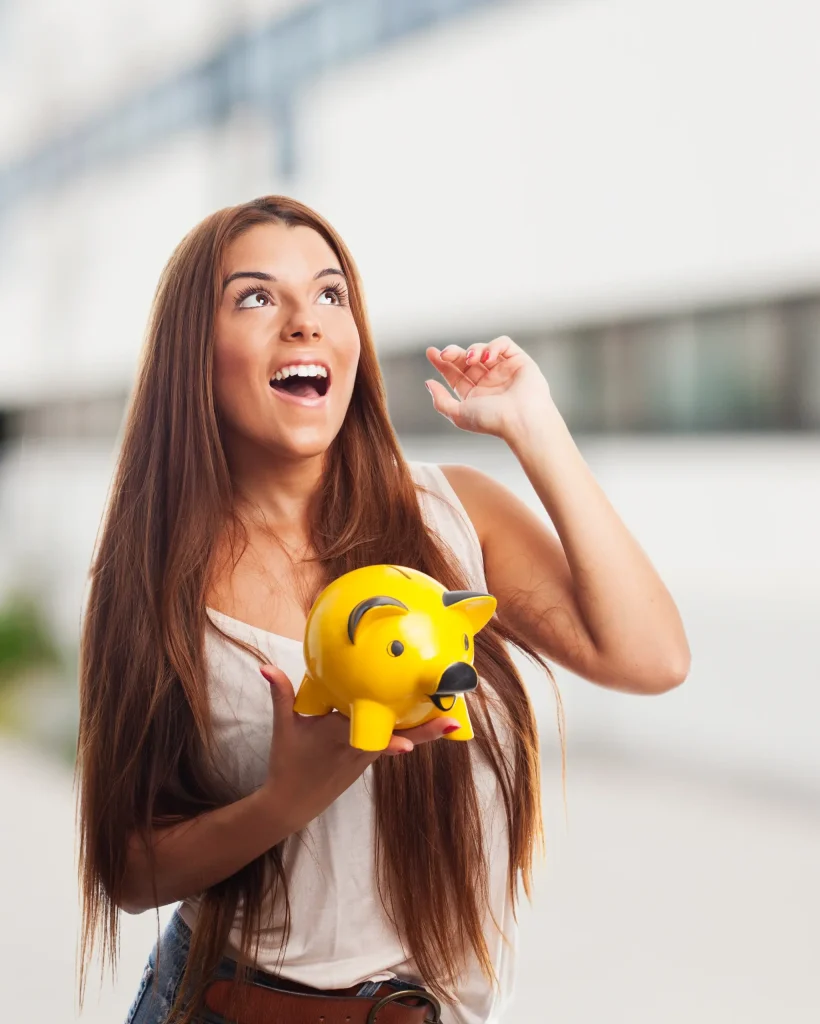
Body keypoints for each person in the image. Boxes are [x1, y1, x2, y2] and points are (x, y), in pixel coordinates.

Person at [75, 195, 690, 1024]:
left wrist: (534, 428)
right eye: (257, 297)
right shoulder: (153, 580)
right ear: (195, 353)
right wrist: (286, 798)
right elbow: (128, 870)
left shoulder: (451, 517)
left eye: (330, 295)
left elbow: (652, 658)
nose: (306, 322)